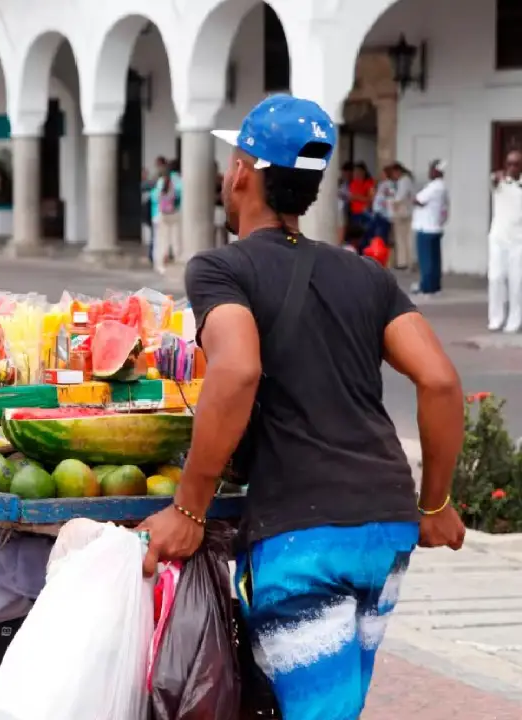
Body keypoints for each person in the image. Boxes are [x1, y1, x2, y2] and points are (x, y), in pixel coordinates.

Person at [137, 94, 466, 720]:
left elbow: (236, 370)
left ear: (242, 172)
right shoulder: (366, 275)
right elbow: (442, 382)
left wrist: (189, 507)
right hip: (387, 529)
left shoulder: (221, 269)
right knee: (333, 706)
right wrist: (436, 504)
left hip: (305, 538)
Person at [488, 149, 522, 333]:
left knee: (516, 282)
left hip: (519, 240)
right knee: (495, 278)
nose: (511, 167)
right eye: (509, 163)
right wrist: (497, 177)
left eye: (516, 164)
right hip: (498, 238)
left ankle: (514, 320)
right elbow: (493, 181)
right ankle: (495, 318)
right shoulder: (499, 181)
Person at [411, 160, 449, 295]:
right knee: (434, 259)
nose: (429, 172)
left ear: (436, 171)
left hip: (426, 227)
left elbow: (418, 200)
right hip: (436, 227)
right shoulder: (442, 187)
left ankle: (426, 286)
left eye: (431, 169)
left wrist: (413, 197)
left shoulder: (434, 187)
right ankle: (435, 286)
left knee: (426, 260)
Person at [151, 159, 183, 273]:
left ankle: (160, 265)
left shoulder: (161, 181)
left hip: (162, 214)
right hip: (175, 213)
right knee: (176, 240)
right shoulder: (179, 180)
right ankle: (178, 261)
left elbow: (155, 197)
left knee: (162, 240)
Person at [390, 163, 416, 269]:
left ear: (398, 171)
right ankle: (407, 262)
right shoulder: (408, 180)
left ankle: (403, 262)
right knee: (406, 238)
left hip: (402, 213)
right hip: (408, 212)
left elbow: (399, 197)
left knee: (401, 238)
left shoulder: (403, 180)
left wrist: (392, 203)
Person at [347, 162, 376, 253]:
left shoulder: (369, 183)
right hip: (354, 213)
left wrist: (358, 197)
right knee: (354, 237)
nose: (356, 174)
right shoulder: (353, 183)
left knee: (365, 236)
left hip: (364, 213)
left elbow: (371, 198)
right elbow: (350, 196)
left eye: (358, 171)